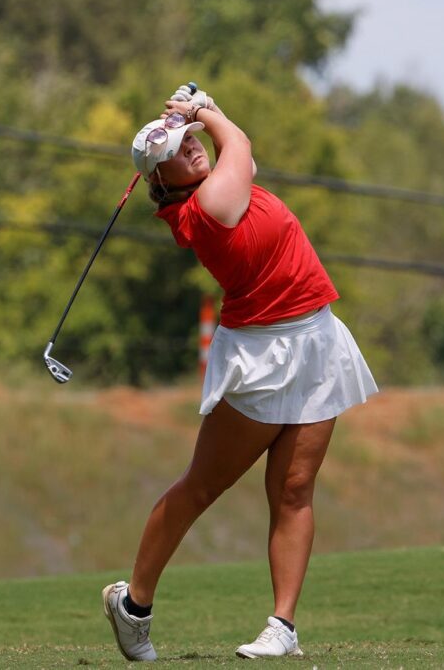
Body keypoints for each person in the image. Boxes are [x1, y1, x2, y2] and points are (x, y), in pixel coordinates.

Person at [101, 85, 378, 662]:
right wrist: (204, 110)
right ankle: (134, 605)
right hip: (262, 355)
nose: (192, 149)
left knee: (296, 490)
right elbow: (241, 144)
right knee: (202, 485)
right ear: (162, 180)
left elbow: (235, 150)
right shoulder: (208, 209)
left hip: (318, 339)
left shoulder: (221, 180)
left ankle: (283, 626)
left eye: (191, 141)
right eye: (178, 150)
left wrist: (202, 106)